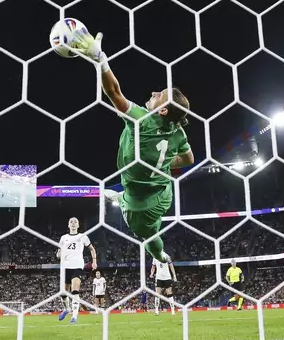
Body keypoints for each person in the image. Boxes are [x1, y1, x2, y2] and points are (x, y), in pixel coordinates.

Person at [73, 29, 194, 263]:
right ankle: (120, 197)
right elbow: (189, 159)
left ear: (163, 110)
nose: (154, 92)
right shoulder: (178, 132)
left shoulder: (141, 119)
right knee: (145, 214)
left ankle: (159, 256)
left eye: (159, 95)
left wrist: (101, 60)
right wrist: (165, 163)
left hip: (140, 208)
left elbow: (113, 91)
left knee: (150, 238)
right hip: (163, 191)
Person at [56, 217, 97, 324]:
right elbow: (58, 253)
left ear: (78, 225)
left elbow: (92, 249)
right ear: (68, 225)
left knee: (75, 290)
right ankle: (67, 309)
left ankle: (74, 316)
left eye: (75, 222)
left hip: (77, 266)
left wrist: (94, 261)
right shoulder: (63, 238)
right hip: (65, 267)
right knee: (63, 293)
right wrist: (59, 254)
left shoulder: (82, 237)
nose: (73, 223)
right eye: (71, 222)